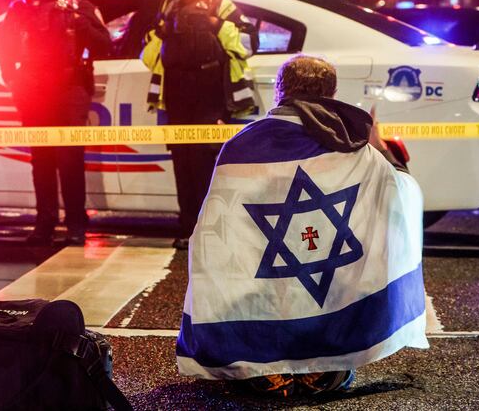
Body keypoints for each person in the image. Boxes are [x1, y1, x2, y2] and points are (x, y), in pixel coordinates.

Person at [176, 55, 428, 397]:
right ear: (332, 92)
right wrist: (382, 149)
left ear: (281, 90)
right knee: (334, 285)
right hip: (327, 273)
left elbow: (216, 227)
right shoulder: (351, 144)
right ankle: (325, 366)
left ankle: (262, 367)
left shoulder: (243, 145)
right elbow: (399, 193)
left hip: (266, 276)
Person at [140, 0, 256, 250]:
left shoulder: (220, 3)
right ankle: (187, 228)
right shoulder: (169, 4)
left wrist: (216, 24)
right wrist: (161, 31)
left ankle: (209, 232)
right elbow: (149, 54)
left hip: (209, 98)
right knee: (182, 166)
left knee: (205, 166)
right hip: (176, 98)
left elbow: (249, 43)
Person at [0, 0, 111, 245]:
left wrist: (79, 21)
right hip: (35, 91)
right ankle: (44, 222)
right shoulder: (22, 8)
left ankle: (76, 224)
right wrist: (14, 81)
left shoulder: (80, 6)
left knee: (71, 158)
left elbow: (105, 44)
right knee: (42, 159)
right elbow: (5, 49)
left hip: (71, 88)